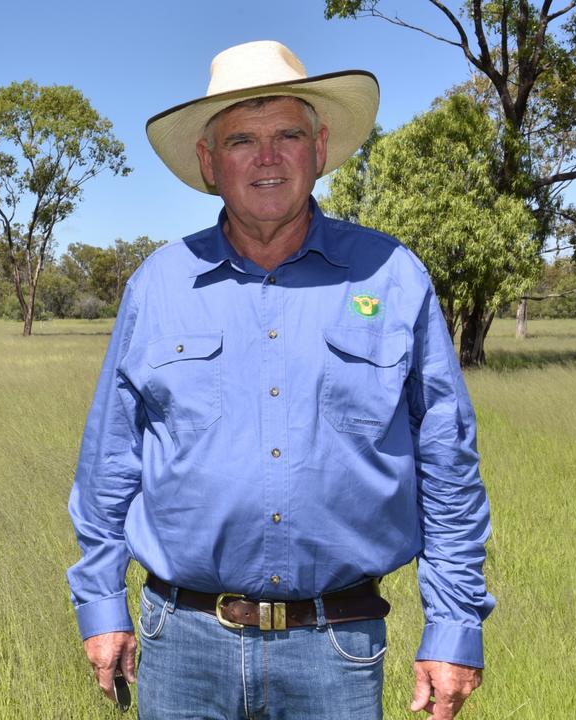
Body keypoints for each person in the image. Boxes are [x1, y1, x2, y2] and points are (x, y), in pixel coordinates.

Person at [66, 41, 494, 720]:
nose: (268, 157)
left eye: (288, 134)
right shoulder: (159, 286)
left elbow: (448, 464)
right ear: (210, 162)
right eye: (242, 139)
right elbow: (110, 462)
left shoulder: (391, 276)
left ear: (319, 148)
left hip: (337, 647)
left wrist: (454, 628)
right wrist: (99, 602)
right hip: (181, 644)